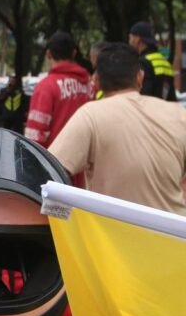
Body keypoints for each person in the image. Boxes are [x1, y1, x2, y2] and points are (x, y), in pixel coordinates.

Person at [49, 43, 186, 215]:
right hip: (175, 229)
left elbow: (47, 170)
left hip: (112, 230)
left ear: (96, 81)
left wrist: (67, 217)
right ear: (140, 77)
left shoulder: (90, 116)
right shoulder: (179, 114)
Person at [24, 31, 93, 148]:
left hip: (53, 157)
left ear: (48, 54)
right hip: (83, 156)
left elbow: (34, 137)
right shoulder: (89, 85)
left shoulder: (46, 86)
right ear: (74, 53)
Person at [128, 22, 176, 101]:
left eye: (130, 38)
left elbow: (144, 96)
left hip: (149, 108)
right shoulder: (165, 62)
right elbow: (172, 97)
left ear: (137, 39)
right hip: (164, 107)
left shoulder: (143, 62)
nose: (129, 42)